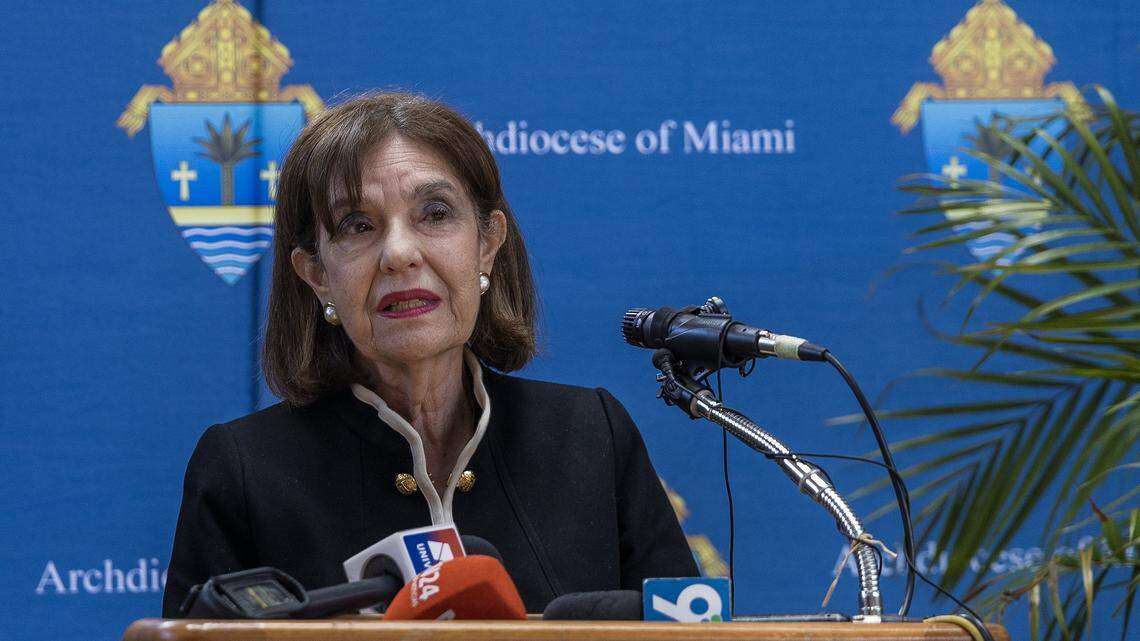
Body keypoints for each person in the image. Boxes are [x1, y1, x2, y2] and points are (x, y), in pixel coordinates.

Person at [162, 92, 697, 617]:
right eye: (358, 225)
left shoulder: (591, 435)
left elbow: (688, 627)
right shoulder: (244, 470)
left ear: (487, 244)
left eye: (434, 214)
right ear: (318, 276)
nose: (399, 254)